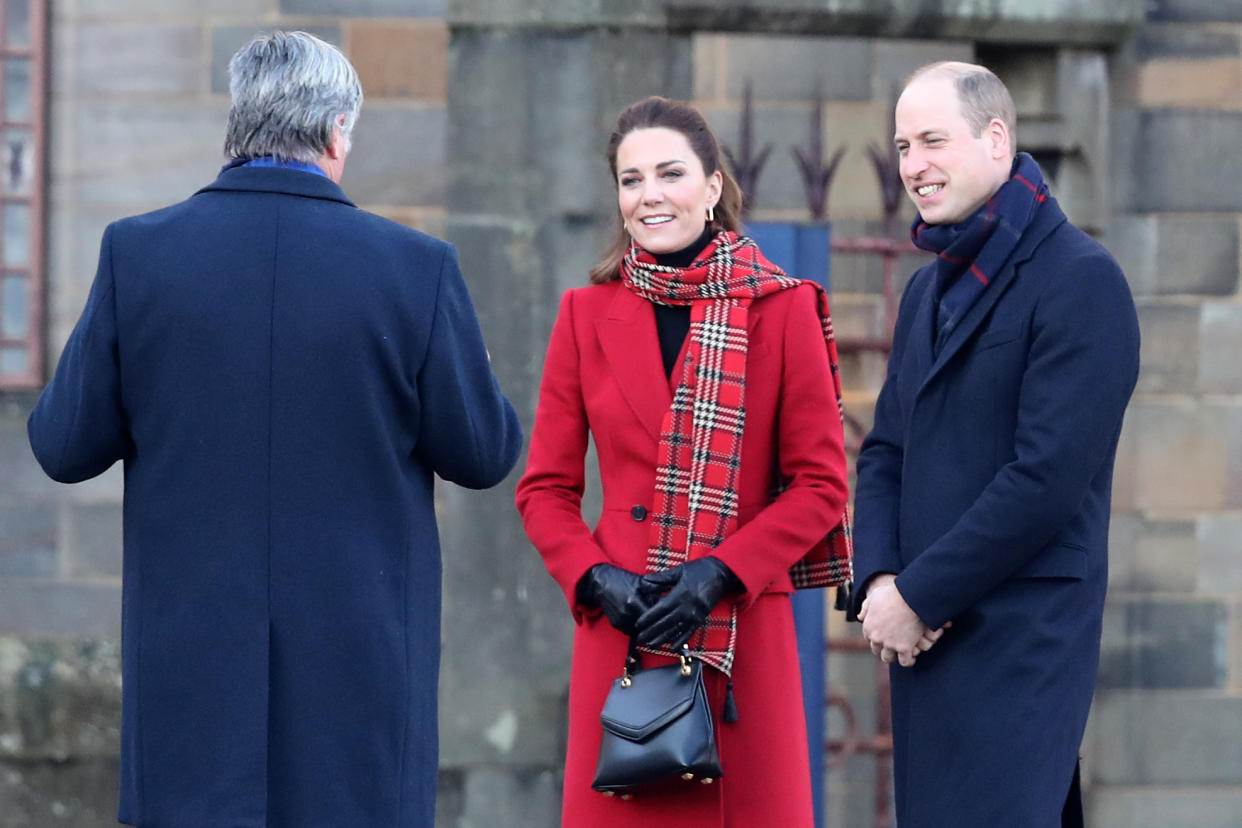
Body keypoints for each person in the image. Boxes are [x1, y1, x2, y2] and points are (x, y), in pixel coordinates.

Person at [27, 31, 522, 828]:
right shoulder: (415, 268)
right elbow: (485, 451)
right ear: (335, 133)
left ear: (237, 128)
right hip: (359, 678)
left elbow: (61, 445)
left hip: (190, 678)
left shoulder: (138, 255)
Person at [515, 96, 852, 828]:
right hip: (626, 642)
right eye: (631, 180)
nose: (650, 195)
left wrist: (720, 572)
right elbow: (544, 489)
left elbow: (822, 485)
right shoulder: (583, 313)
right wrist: (594, 577)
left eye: (669, 173)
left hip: (741, 638)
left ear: (711, 185)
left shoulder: (783, 309)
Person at [852, 61, 1140, 827]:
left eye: (933, 141)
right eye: (903, 145)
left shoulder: (1082, 278)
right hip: (927, 646)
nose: (914, 164)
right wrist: (881, 579)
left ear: (996, 139)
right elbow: (884, 450)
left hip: (1021, 642)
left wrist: (919, 594)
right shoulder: (927, 288)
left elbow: (1046, 479)